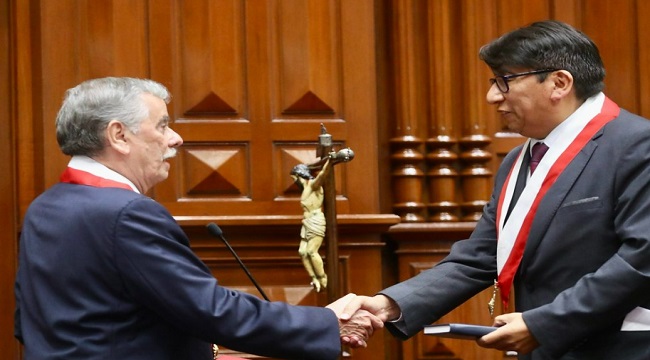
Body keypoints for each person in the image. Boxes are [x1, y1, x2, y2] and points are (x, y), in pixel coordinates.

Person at [339, 20, 650, 359]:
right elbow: (482, 256)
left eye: (504, 81)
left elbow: (641, 259)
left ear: (559, 83)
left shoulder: (637, 145)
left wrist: (543, 323)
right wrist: (387, 305)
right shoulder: (520, 159)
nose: (491, 97)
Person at [14, 77, 381, 360]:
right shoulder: (126, 214)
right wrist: (328, 322)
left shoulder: (46, 207)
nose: (176, 138)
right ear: (119, 135)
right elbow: (212, 311)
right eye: (161, 126)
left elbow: (39, 321)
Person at [290, 159, 332, 292]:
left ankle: (323, 278)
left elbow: (323, 174)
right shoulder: (305, 189)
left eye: (294, 178)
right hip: (306, 222)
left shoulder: (314, 185)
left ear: (299, 175)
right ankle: (314, 278)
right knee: (302, 252)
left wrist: (330, 161)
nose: (294, 181)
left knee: (311, 251)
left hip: (315, 221)